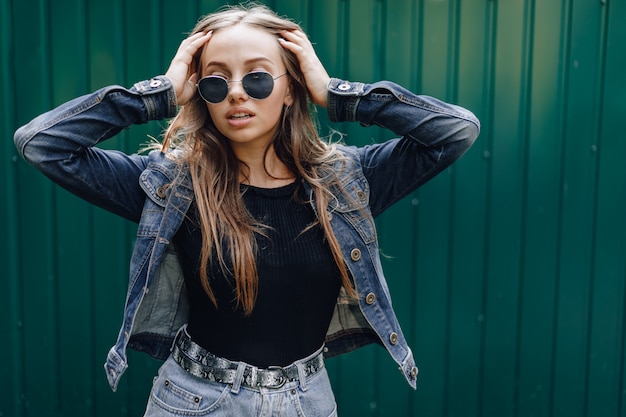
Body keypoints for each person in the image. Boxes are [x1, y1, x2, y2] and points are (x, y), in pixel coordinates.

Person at [14, 3, 479, 416]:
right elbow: (42, 144)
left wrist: (336, 93)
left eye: (257, 77)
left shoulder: (344, 181)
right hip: (196, 402)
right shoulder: (173, 185)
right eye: (216, 81)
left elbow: (455, 131)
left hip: (308, 403)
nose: (237, 92)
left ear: (291, 88)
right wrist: (156, 94)